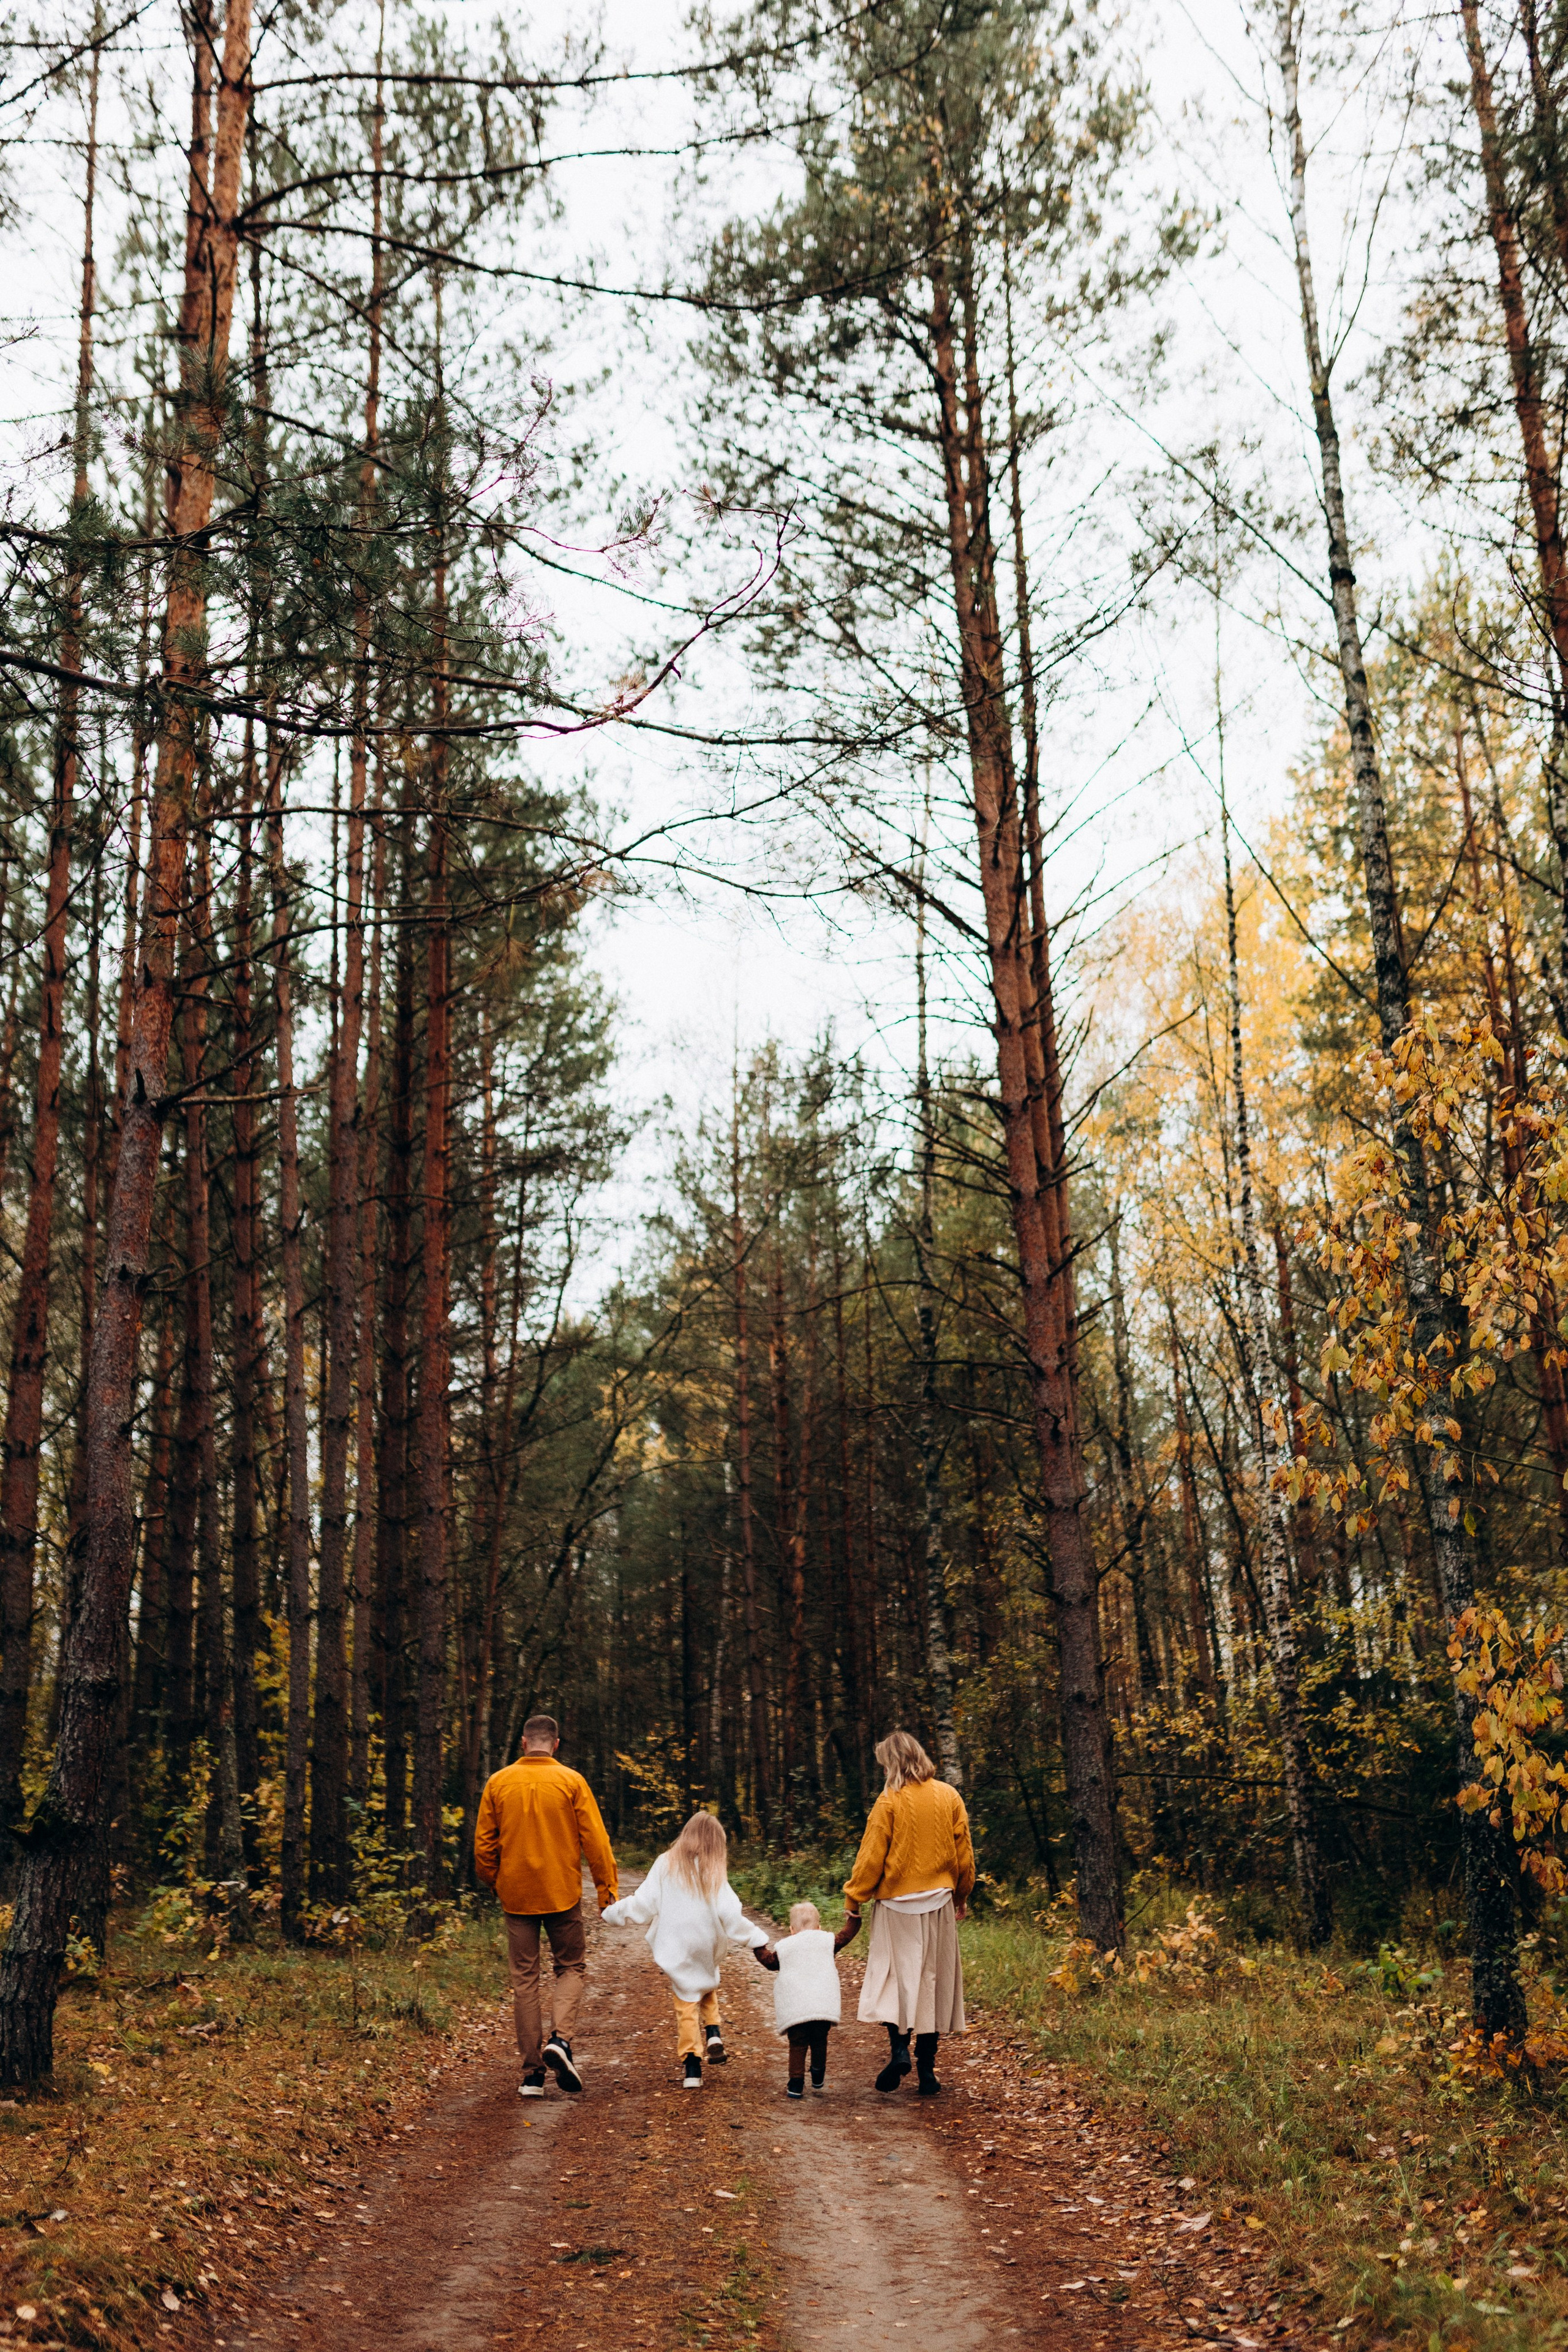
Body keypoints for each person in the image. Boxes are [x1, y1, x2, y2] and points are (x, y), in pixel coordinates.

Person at [473, 1713, 618, 2099]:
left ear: (524, 1743)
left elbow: (484, 1846)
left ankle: (533, 2075)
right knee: (570, 1966)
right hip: (562, 1895)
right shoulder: (572, 1781)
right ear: (555, 1744)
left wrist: (495, 1882)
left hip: (517, 1897)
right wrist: (607, 1890)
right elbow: (597, 1842)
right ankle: (562, 2042)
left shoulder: (498, 1782)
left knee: (525, 1979)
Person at [844, 1728, 974, 2096]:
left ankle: (900, 2048)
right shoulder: (949, 1796)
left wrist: (854, 1897)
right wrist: (962, 1894)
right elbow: (964, 1853)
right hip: (939, 1903)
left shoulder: (889, 1802)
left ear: (893, 1763)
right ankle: (928, 2072)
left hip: (896, 1906)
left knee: (896, 1980)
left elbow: (871, 1856)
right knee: (931, 1981)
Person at [601, 1811, 767, 2089]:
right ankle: (713, 2031)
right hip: (706, 1940)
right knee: (706, 1979)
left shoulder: (665, 1863)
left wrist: (613, 1913)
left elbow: (643, 1903)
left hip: (677, 1942)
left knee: (685, 2001)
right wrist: (756, 1939)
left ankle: (692, 2067)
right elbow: (730, 1912)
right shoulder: (713, 1869)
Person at [753, 1899, 860, 2098]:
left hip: (796, 2006)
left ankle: (796, 2083)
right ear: (819, 1927)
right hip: (822, 2005)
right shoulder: (827, 1941)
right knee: (820, 2040)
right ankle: (818, 2075)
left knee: (798, 2043)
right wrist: (854, 1916)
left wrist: (756, 1944)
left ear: (792, 1929)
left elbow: (769, 1961)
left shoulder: (786, 1947)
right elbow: (846, 1936)